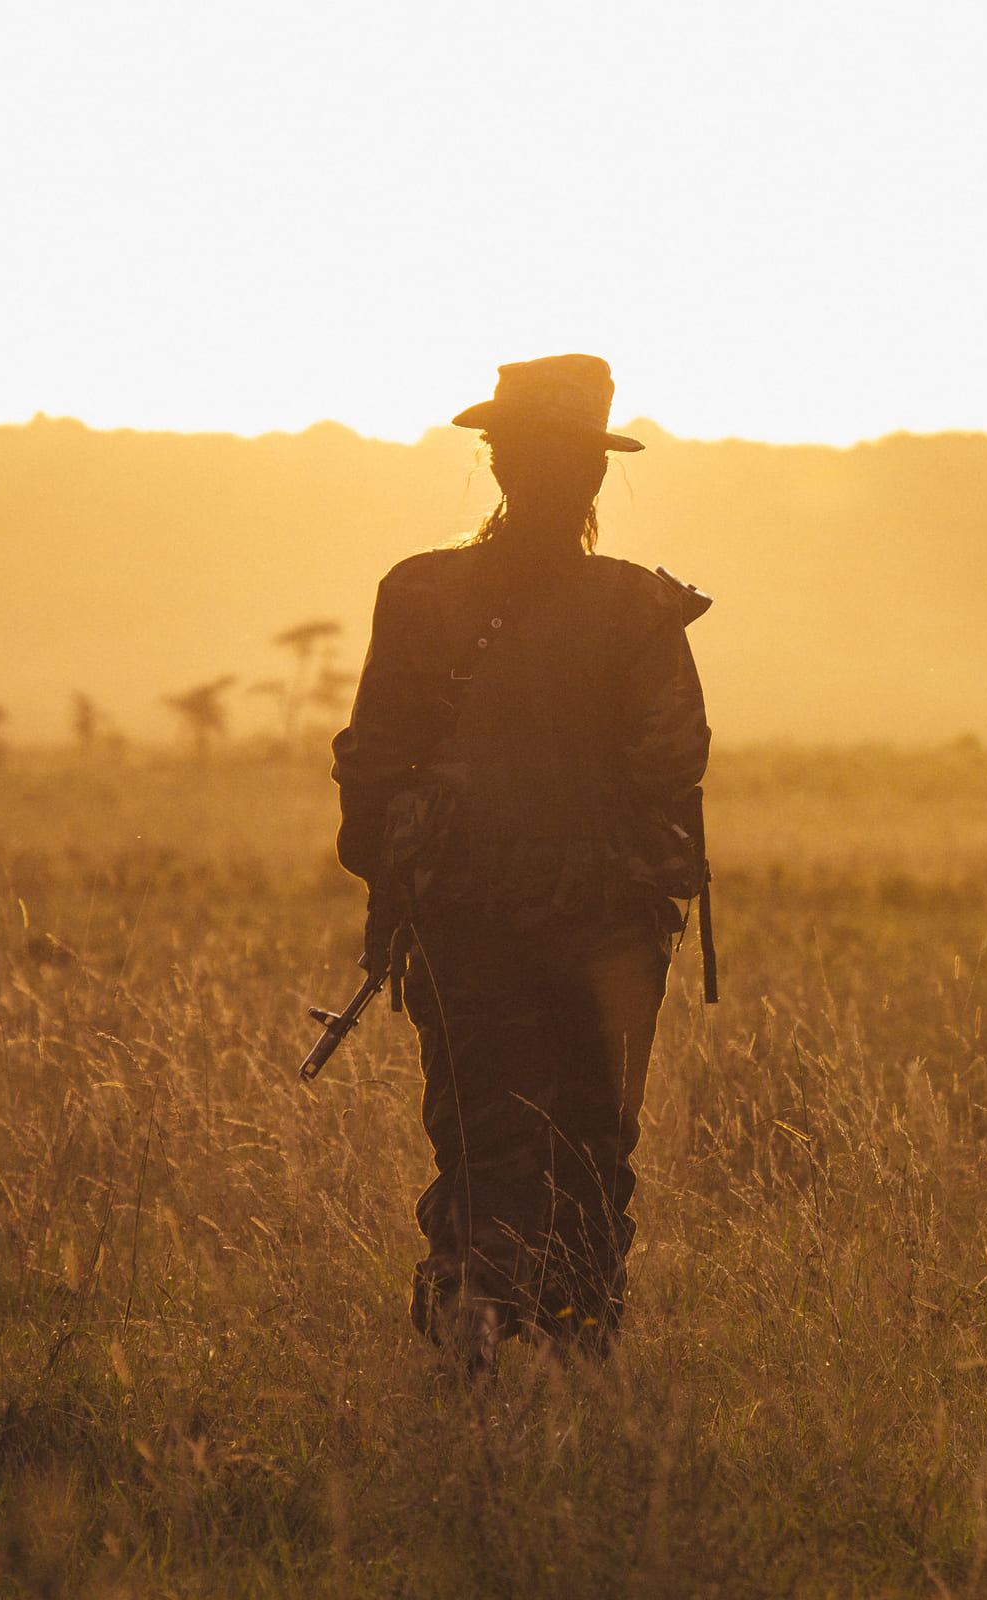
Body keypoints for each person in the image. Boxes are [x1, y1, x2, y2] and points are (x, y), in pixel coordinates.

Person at [331, 354, 712, 1373]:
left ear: (495, 460)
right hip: (613, 928)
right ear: (592, 476)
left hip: (464, 918)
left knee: (482, 1139)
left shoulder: (416, 595)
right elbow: (674, 763)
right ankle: (585, 1352)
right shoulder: (640, 608)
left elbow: (369, 769)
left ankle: (474, 1347)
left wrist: (398, 893)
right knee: (595, 1143)